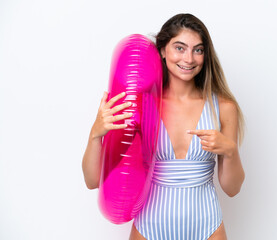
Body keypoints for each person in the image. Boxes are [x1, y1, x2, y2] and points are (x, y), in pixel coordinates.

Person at [82, 13, 245, 240]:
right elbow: (92, 182)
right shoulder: (139, 105)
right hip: (150, 226)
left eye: (198, 50)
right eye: (180, 48)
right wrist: (95, 136)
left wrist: (230, 150)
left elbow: (232, 188)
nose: (189, 58)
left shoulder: (224, 107)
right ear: (162, 50)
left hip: (207, 225)